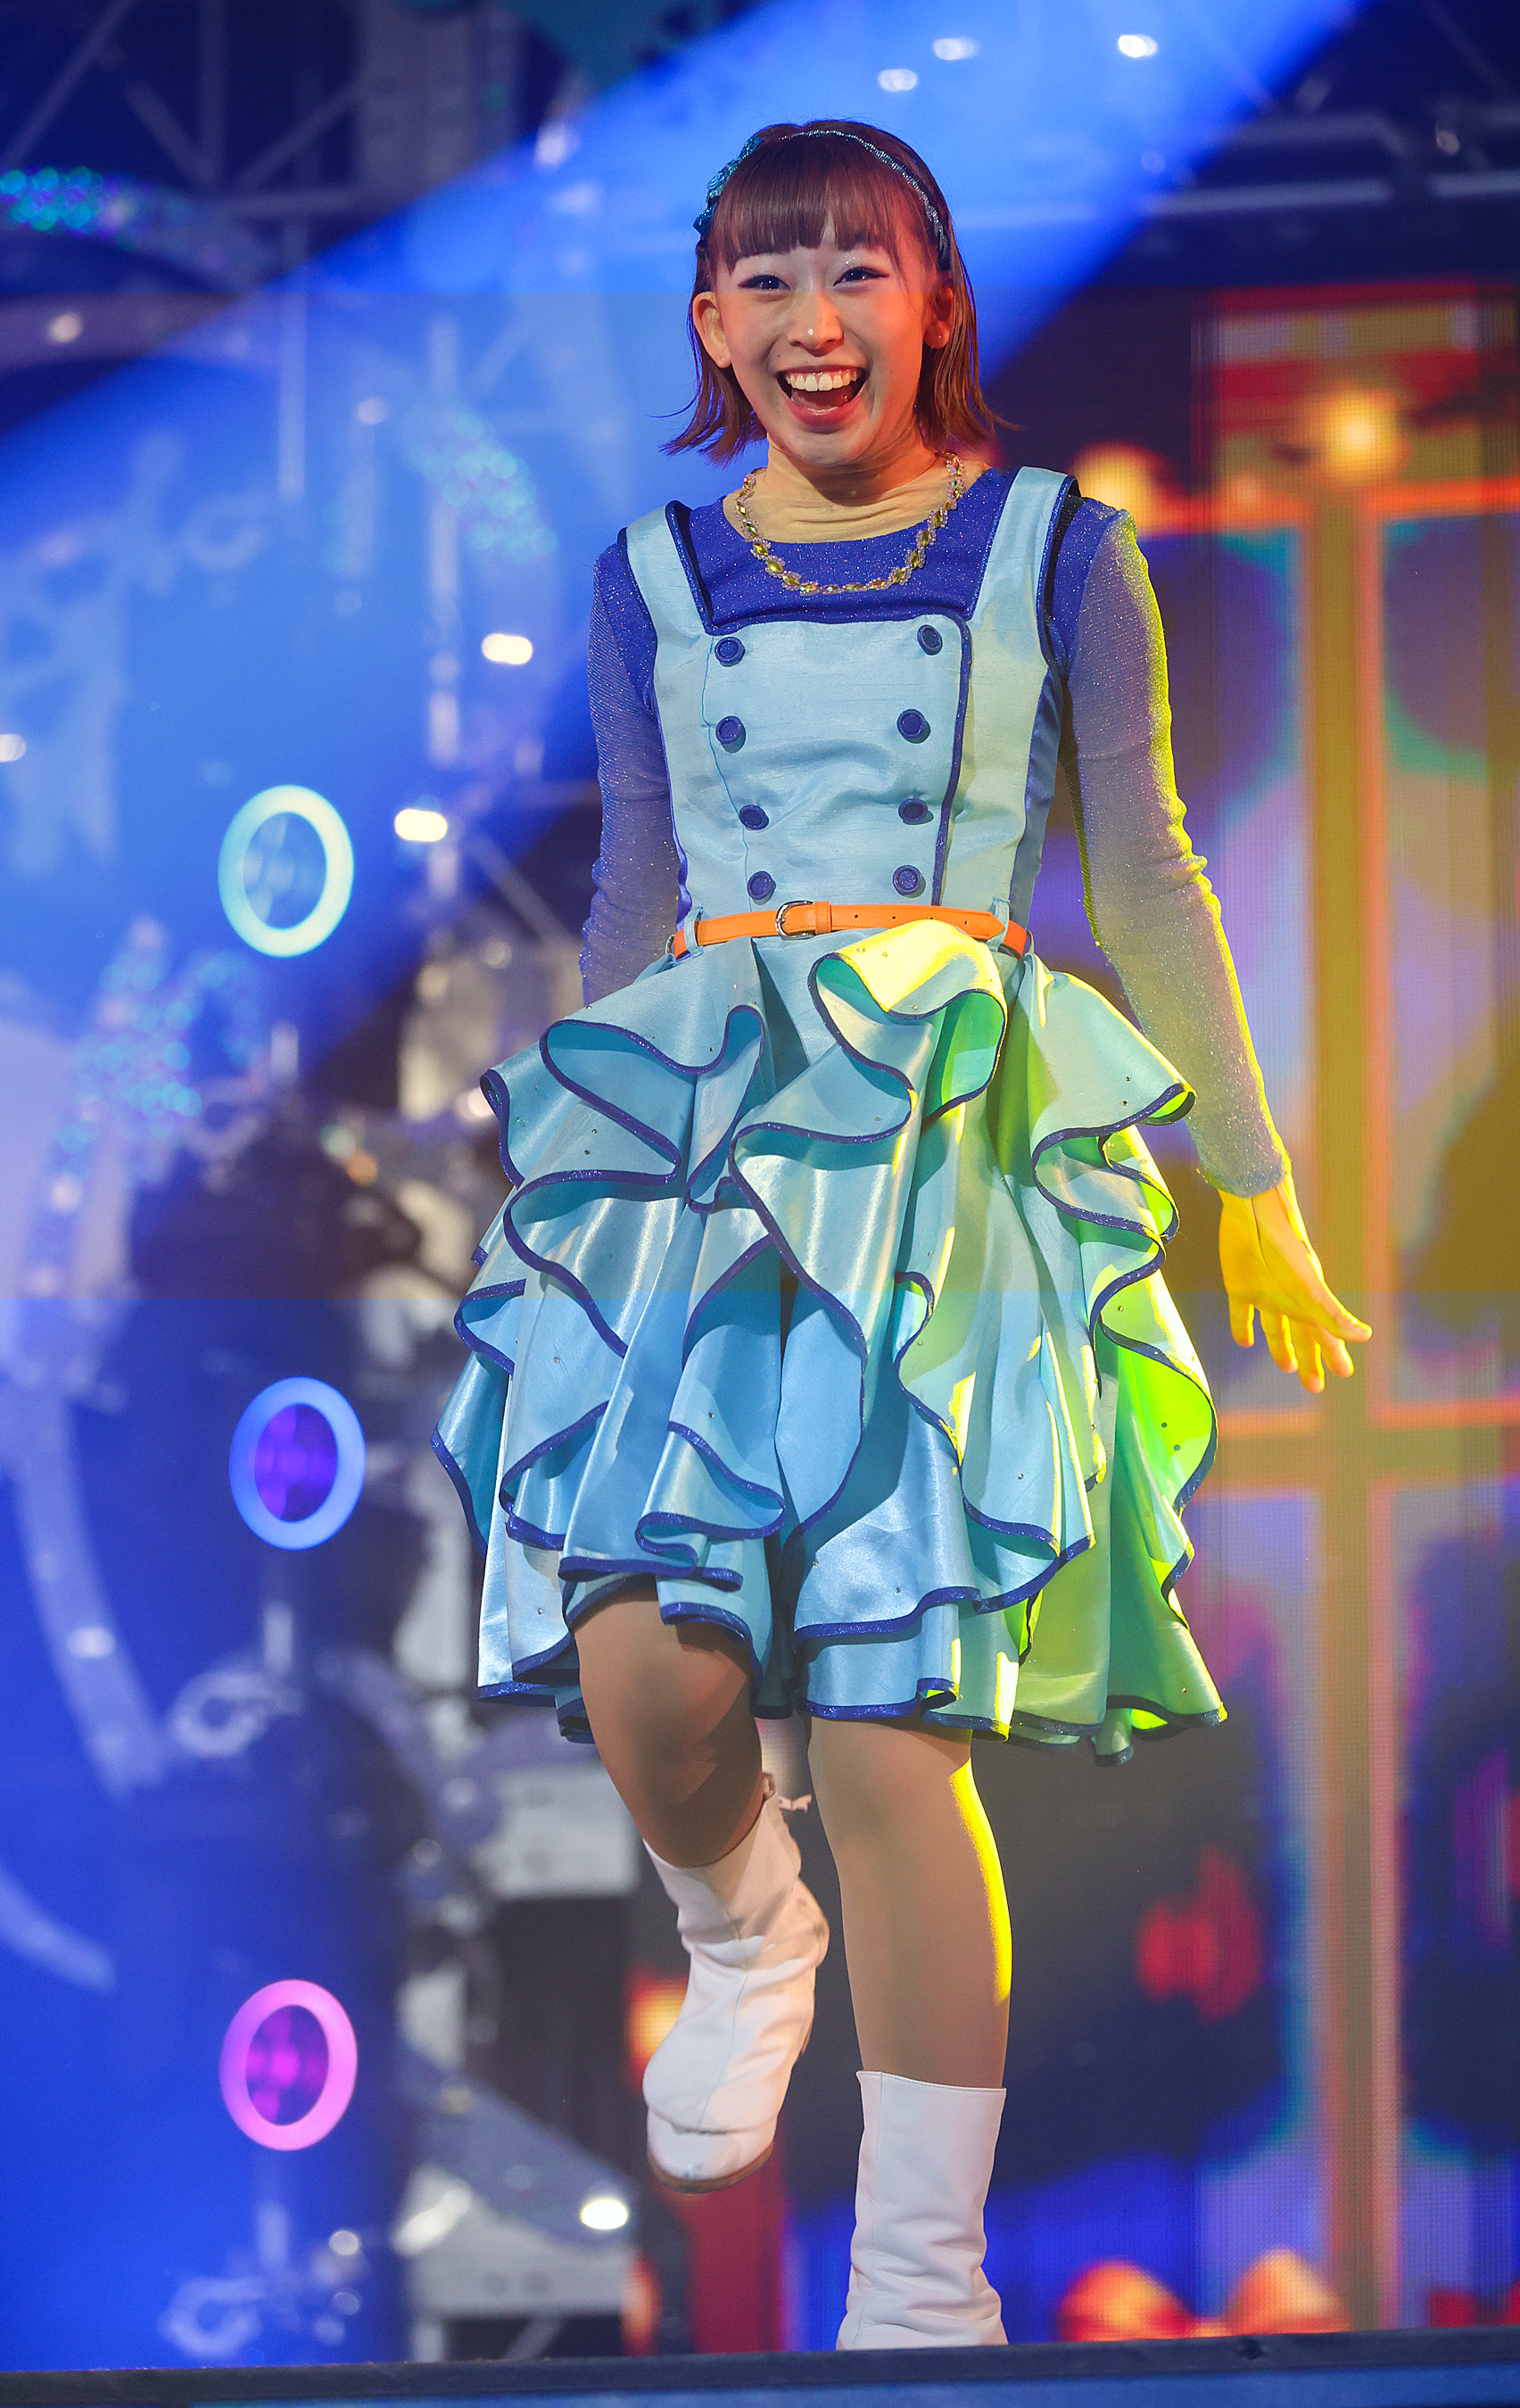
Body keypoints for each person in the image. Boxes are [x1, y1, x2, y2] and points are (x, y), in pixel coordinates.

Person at [434, 120, 1370, 2349]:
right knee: (646, 1670)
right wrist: (580, 1195)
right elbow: (636, 893)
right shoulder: (654, 578)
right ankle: (744, 1928)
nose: (813, 322)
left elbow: (1150, 873)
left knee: (884, 1729)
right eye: (767, 282)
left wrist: (1250, 1176)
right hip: (710, 1145)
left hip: (943, 1157)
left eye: (855, 271)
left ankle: (924, 2287)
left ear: (933, 297)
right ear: (710, 324)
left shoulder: (1059, 553)